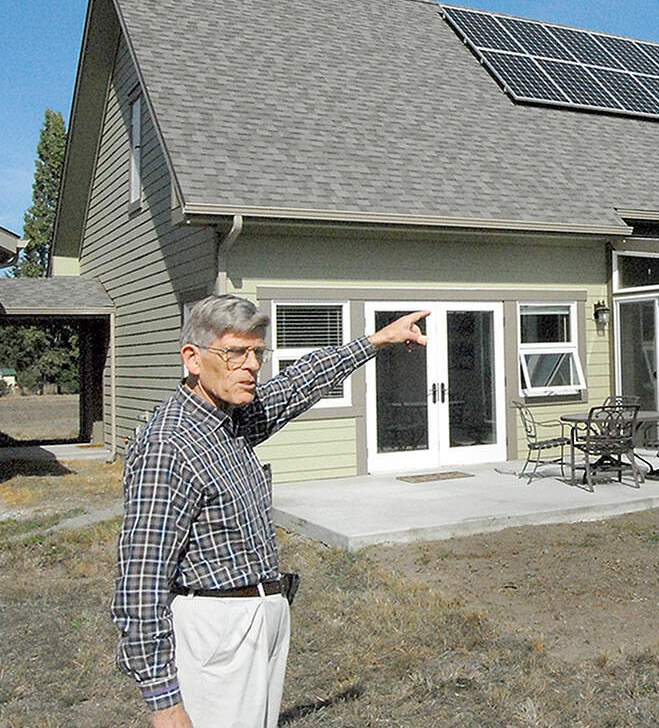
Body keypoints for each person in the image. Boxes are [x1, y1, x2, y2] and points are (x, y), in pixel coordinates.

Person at [112, 294, 428, 728]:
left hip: (261, 619)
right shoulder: (170, 445)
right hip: (216, 630)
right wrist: (165, 703)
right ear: (193, 358)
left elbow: (301, 382)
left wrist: (376, 340)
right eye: (235, 352)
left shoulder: (233, 420)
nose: (252, 365)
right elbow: (140, 581)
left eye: (257, 352)